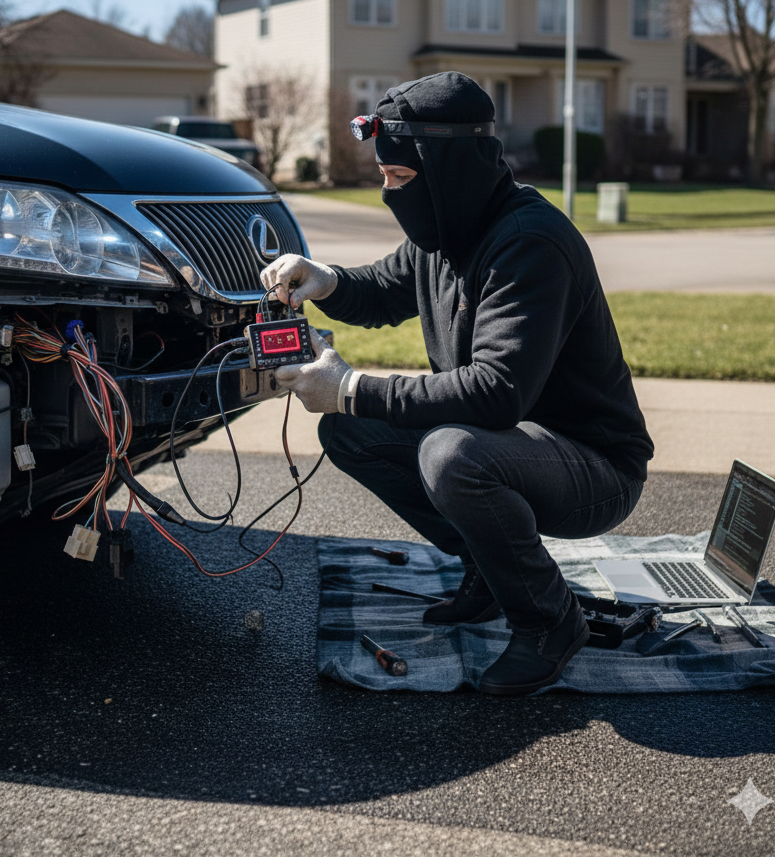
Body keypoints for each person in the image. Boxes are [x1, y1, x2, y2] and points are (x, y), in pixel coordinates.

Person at [261, 71, 653, 696]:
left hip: (595, 467)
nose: (389, 193)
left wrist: (351, 385)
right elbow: (381, 290)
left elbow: (497, 392)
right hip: (514, 443)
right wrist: (325, 279)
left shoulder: (529, 243)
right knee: (350, 430)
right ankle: (490, 569)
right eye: (384, 176)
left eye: (400, 177)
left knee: (451, 455)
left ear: (449, 168)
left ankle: (550, 620)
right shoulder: (447, 227)